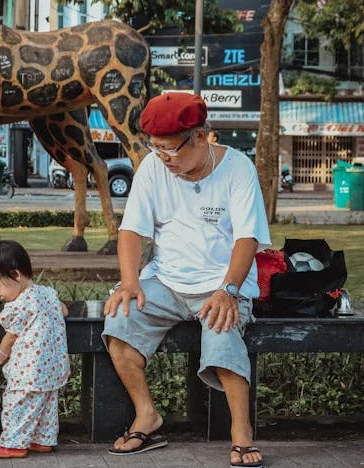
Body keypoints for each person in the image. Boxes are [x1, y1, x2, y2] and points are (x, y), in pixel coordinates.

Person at [102, 92, 270, 468]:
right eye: (155, 147)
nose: (163, 157)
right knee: (119, 320)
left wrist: (229, 290)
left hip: (221, 283)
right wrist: (130, 282)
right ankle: (147, 415)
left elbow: (248, 237)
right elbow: (132, 230)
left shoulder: (238, 168)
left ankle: (242, 432)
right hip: (166, 280)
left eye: (169, 149)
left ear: (200, 136)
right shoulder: (153, 167)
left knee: (222, 335)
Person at [0, 240, 70, 459]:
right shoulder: (47, 294)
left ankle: (13, 444)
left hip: (28, 371)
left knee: (17, 405)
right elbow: (65, 311)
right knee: (46, 405)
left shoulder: (20, 305)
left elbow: (10, 337)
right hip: (53, 368)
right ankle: (42, 440)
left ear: (15, 275)